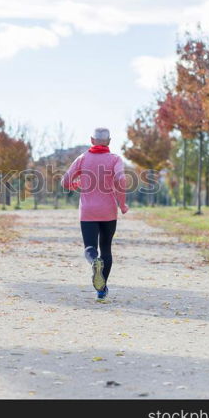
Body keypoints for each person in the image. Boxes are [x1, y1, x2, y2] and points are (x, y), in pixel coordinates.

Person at [61, 127, 128, 300]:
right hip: (109, 211)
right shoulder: (115, 159)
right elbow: (121, 180)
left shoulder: (82, 159)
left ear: (92, 140)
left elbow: (65, 181)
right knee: (106, 248)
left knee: (90, 248)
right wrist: (122, 204)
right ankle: (101, 290)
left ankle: (94, 263)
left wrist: (76, 185)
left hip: (88, 212)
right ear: (109, 142)